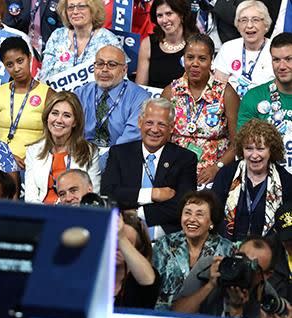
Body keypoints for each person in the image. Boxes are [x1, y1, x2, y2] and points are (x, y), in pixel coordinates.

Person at [101, 97, 197, 236]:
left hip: (168, 240)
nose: (154, 129)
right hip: (123, 234)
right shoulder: (120, 153)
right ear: (140, 123)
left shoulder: (185, 159)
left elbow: (184, 205)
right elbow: (109, 194)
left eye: (162, 124)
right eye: (149, 123)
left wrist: (136, 213)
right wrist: (152, 194)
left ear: (171, 128)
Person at [161, 33, 240, 186]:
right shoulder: (171, 91)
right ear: (183, 59)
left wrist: (217, 167)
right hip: (174, 170)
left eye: (202, 59)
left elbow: (238, 142)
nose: (195, 64)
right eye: (190, 57)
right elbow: (160, 135)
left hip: (213, 174)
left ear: (212, 61)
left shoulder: (226, 93)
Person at [152, 190, 234, 311]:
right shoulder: (163, 245)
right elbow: (152, 290)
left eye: (199, 214)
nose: (191, 219)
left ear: (211, 221)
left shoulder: (227, 249)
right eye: (187, 213)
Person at [212, 119, 292, 242]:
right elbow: (213, 214)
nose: (254, 155)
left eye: (260, 149)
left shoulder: (285, 180)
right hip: (228, 248)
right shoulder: (227, 174)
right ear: (241, 149)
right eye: (249, 149)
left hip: (270, 251)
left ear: (271, 150)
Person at [0, 37, 55, 169]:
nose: (16, 68)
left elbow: (53, 138)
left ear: (29, 58)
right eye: (9, 65)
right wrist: (7, 157)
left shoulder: (49, 95)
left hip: (37, 161)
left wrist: (32, 158)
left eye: (20, 61)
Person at [74, 45, 150, 167]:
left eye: (112, 64)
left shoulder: (140, 98)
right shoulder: (80, 93)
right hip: (81, 157)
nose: (104, 69)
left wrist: (99, 164)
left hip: (120, 161)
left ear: (124, 70)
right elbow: (72, 133)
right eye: (99, 64)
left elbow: (128, 141)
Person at [172, 236, 277, 318]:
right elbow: (175, 315)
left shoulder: (266, 295)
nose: (244, 269)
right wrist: (210, 285)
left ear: (267, 275)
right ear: (234, 253)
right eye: (242, 259)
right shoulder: (209, 267)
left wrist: (236, 310)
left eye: (253, 267)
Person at [24, 91, 100, 204]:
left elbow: (92, 196)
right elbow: (30, 197)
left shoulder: (89, 152)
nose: (59, 120)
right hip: (41, 213)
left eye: (66, 115)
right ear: (47, 117)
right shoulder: (33, 150)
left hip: (75, 213)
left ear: (75, 122)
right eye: (54, 113)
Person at [237, 32, 292, 175]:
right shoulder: (254, 97)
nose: (282, 66)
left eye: (288, 59)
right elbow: (244, 145)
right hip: (266, 175)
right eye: (276, 60)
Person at [38, 0, 121, 81]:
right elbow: (45, 76)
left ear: (93, 9)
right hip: (59, 94)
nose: (75, 11)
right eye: (70, 7)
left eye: (81, 6)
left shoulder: (108, 40)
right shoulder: (57, 36)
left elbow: (119, 78)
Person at [213, 1, 275, 99]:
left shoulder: (276, 49)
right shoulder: (228, 48)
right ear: (238, 25)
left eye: (255, 20)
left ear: (266, 24)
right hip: (232, 109)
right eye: (244, 20)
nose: (249, 25)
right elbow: (218, 88)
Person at [135, 0, 197, 89]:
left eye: (169, 14)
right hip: (154, 101)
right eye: (160, 15)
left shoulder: (196, 44)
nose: (164, 20)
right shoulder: (147, 44)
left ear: (181, 14)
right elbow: (140, 89)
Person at [114, 212, 160, 308]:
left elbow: (148, 280)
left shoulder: (144, 276)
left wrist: (121, 237)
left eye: (128, 242)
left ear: (139, 250)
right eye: (113, 240)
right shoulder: (93, 272)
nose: (117, 247)